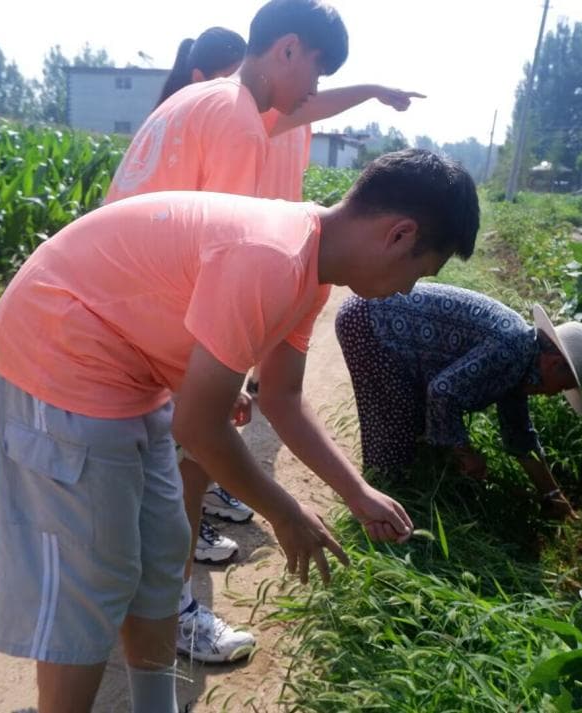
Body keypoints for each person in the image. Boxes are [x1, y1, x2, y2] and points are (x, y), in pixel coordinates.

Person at [0, 148, 480, 713]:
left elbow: (282, 397)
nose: (408, 290)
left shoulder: (311, 270)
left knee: (163, 553)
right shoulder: (274, 257)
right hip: (58, 349)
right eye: (420, 272)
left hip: (127, 367)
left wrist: (356, 493)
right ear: (400, 235)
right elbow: (200, 427)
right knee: (95, 572)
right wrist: (286, 514)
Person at [107, 0, 423, 665]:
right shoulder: (240, 124)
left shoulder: (222, 101)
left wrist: (369, 90)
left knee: (160, 471)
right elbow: (218, 250)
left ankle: (141, 608)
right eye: (316, 71)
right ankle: (171, 609)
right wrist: (220, 377)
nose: (313, 91)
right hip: (145, 318)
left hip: (121, 301)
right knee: (193, 456)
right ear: (286, 49)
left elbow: (306, 108)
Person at [335, 283, 582, 519]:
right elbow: (442, 391)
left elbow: (520, 435)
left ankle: (392, 502)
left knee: (415, 431)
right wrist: (465, 453)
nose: (555, 394)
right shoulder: (511, 348)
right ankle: (376, 510)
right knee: (398, 426)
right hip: (371, 321)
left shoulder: (522, 362)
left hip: (375, 315)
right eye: (563, 386)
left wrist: (552, 494)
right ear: (554, 364)